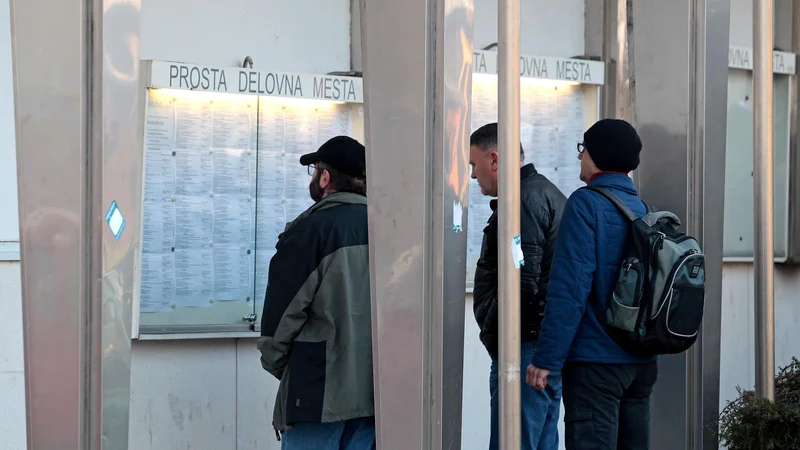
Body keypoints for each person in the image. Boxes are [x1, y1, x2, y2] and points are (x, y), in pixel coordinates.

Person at [526, 119, 658, 450]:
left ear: (597, 156)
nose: (579, 157)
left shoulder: (586, 205)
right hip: (641, 364)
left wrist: (546, 359)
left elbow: (569, 290)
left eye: (583, 149)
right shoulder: (645, 212)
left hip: (597, 365)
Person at [257, 136, 375, 450]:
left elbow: (276, 328)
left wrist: (293, 369)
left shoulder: (309, 231)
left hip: (317, 397)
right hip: (378, 395)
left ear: (325, 177)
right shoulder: (390, 229)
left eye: (314, 170)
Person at [469, 122, 567, 450]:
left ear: (494, 160)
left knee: (514, 443)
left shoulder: (522, 201)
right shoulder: (543, 192)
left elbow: (521, 283)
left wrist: (494, 331)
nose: (472, 176)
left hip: (523, 348)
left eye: (474, 165)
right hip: (540, 346)